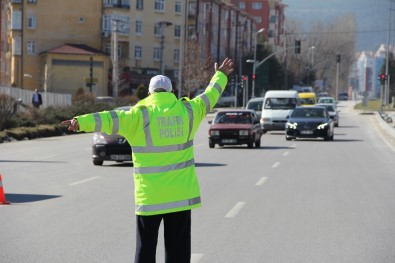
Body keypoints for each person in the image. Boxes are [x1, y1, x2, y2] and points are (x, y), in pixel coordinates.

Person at [62, 57, 234, 263]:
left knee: (145, 249)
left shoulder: (138, 115)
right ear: (171, 92)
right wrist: (220, 75)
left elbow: (108, 118)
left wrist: (79, 122)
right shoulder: (188, 111)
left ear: (150, 93)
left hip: (150, 197)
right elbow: (210, 95)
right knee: (178, 251)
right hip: (180, 197)